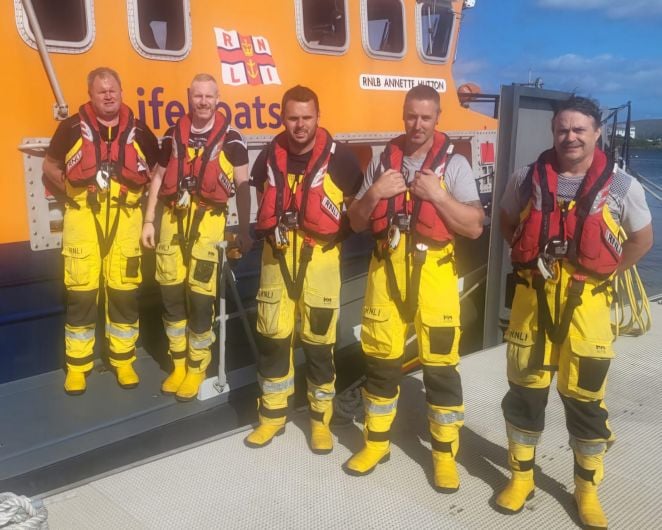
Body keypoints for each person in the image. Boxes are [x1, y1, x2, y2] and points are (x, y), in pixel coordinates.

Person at [496, 96, 652, 528]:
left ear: (597, 132)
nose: (571, 137)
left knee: (585, 402)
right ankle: (520, 478)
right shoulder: (525, 179)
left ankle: (586, 490)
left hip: (588, 307)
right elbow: (508, 221)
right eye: (563, 129)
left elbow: (641, 239)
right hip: (533, 302)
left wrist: (606, 272)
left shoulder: (622, 187)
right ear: (553, 132)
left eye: (580, 129)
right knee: (525, 395)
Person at [344, 85, 484, 490]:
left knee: (441, 370)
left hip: (434, 275)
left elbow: (474, 226)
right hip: (385, 271)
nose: (417, 124)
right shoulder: (382, 163)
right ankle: (376, 442)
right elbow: (355, 221)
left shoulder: (454, 166)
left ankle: (443, 456)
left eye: (425, 117)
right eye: (411, 116)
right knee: (380, 362)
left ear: (437, 118)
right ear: (403, 115)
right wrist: (375, 193)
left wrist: (438, 197)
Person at [244, 85, 363, 453]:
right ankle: (271, 418)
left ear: (317, 116)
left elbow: (356, 208)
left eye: (306, 117)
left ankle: (319, 422)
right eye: (292, 117)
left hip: (320, 262)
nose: (299, 125)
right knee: (274, 342)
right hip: (276, 260)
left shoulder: (341, 158)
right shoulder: (268, 155)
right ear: (283, 118)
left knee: (319, 347)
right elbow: (260, 193)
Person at [43, 67, 160, 394]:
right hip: (83, 218)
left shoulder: (139, 131)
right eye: (101, 91)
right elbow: (50, 166)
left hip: (126, 219)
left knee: (124, 292)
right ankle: (78, 367)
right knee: (81, 294)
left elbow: (157, 171)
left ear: (121, 92)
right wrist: (71, 192)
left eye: (113, 90)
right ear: (90, 95)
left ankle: (123, 361)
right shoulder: (69, 129)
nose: (108, 95)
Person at [141, 73, 251, 402]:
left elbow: (243, 189)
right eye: (197, 96)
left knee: (201, 301)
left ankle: (196, 365)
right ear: (189, 97)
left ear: (218, 99)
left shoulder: (233, 139)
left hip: (208, 226)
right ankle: (177, 364)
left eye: (209, 96)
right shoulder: (173, 135)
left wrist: (244, 229)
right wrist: (149, 220)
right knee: (171, 296)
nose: (203, 102)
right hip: (172, 222)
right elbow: (158, 178)